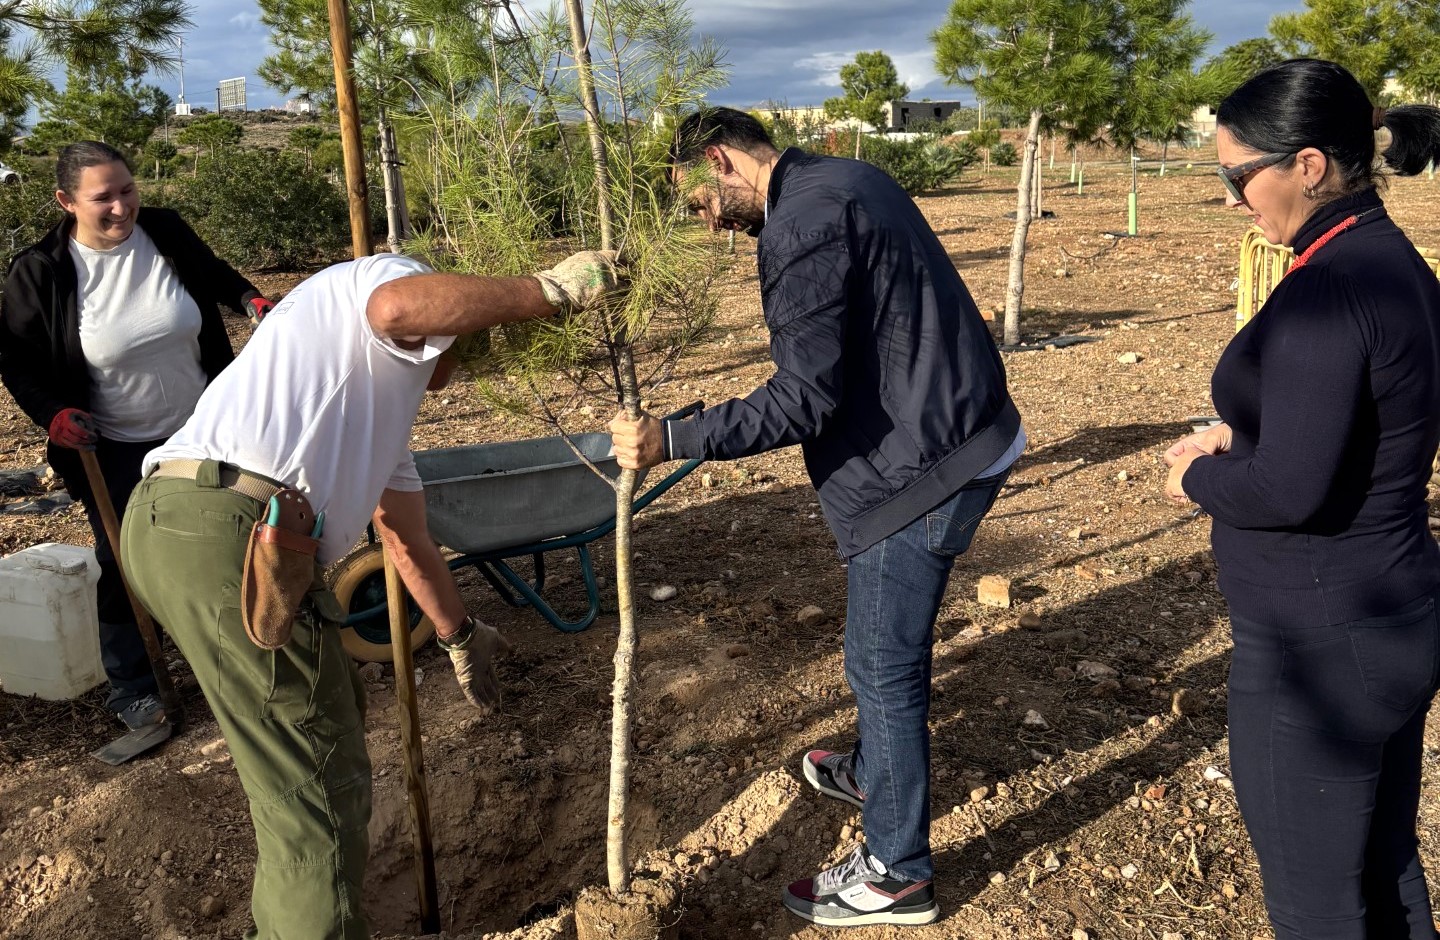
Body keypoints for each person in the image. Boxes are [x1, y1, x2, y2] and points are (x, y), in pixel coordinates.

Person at [118, 247, 622, 939]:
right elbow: (399, 308)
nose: (456, 367)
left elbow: (408, 541)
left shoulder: (369, 398)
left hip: (173, 521)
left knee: (323, 727)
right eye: (466, 338)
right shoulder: (383, 280)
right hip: (237, 536)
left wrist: (460, 637)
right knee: (316, 795)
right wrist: (548, 292)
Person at [609, 107, 1024, 928]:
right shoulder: (845, 178)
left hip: (925, 469)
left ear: (720, 162)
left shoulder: (797, 225)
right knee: (882, 658)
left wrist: (676, 436)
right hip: (960, 425)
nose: (706, 223)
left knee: (881, 666)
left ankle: (898, 873)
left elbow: (803, 398)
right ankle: (876, 768)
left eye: (696, 203)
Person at [1165, 59, 1440, 940]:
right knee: (1384, 867)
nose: (1236, 198)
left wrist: (1193, 475)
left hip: (1317, 644)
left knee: (1318, 909)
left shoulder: (1328, 287)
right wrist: (1247, 435)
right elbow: (1358, 424)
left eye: (1239, 175)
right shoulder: (1391, 261)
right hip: (1390, 615)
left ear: (1310, 165)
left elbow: (1289, 488)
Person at [0, 141, 272, 731]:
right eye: (104, 198)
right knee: (124, 560)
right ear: (66, 202)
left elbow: (213, 274)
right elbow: (15, 359)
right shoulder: (42, 271)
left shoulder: (165, 230)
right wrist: (51, 413)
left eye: (128, 190)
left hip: (206, 428)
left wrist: (249, 297)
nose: (122, 207)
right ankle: (133, 686)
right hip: (115, 445)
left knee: (229, 539)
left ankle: (237, 653)